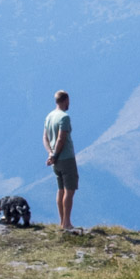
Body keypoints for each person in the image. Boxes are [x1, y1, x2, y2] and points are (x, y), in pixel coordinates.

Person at [43, 89, 78, 232]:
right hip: (66, 158)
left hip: (55, 161)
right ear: (66, 100)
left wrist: (50, 154)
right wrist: (56, 154)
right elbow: (61, 138)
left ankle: (61, 221)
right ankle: (66, 223)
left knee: (60, 190)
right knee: (69, 191)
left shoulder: (49, 116)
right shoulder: (64, 117)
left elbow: (45, 137)